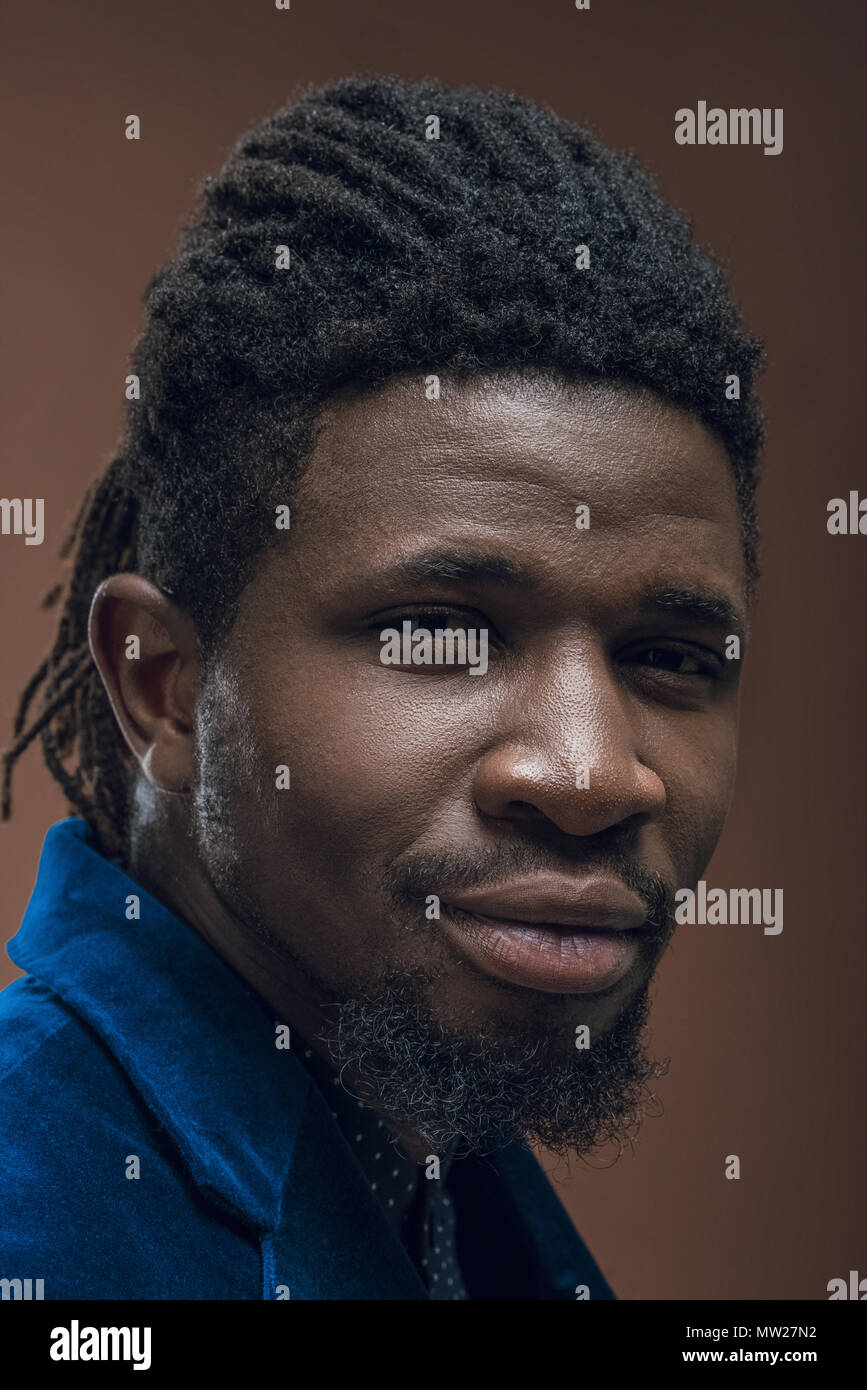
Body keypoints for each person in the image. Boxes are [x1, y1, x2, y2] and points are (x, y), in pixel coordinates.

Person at [0, 74, 763, 1300]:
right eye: (440, 634)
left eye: (670, 656)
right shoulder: (31, 1218)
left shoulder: (415, 1141)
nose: (593, 771)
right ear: (165, 686)